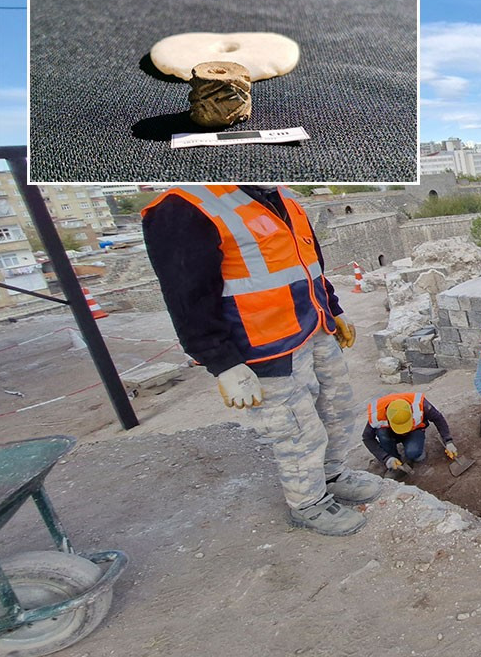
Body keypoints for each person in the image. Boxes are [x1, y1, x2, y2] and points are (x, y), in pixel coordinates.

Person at [142, 185, 380, 537]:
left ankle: (332, 474)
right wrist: (222, 362)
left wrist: (333, 309)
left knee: (338, 409)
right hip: (263, 347)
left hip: (314, 328)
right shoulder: (184, 207)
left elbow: (308, 265)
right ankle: (308, 502)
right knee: (297, 430)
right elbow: (186, 296)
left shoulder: (280, 195)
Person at [361, 392, 456, 473]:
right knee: (382, 433)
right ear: (388, 418)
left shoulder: (420, 404)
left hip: (414, 430)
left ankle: (413, 449)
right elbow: (367, 438)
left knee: (415, 455)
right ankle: (394, 461)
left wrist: (448, 442)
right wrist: (386, 458)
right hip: (390, 433)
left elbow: (438, 419)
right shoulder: (377, 414)